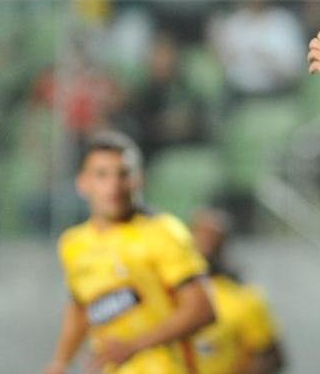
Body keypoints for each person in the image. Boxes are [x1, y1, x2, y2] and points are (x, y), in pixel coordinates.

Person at [44, 131, 216, 374]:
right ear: (83, 183)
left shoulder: (163, 231)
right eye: (102, 175)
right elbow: (81, 307)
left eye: (123, 174)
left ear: (138, 180)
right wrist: (60, 362)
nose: (113, 185)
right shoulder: (73, 244)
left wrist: (134, 346)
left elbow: (202, 309)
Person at [190, 208, 285, 374]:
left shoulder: (244, 298)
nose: (206, 245)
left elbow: (272, 356)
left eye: (214, 238)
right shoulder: (172, 293)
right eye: (201, 235)